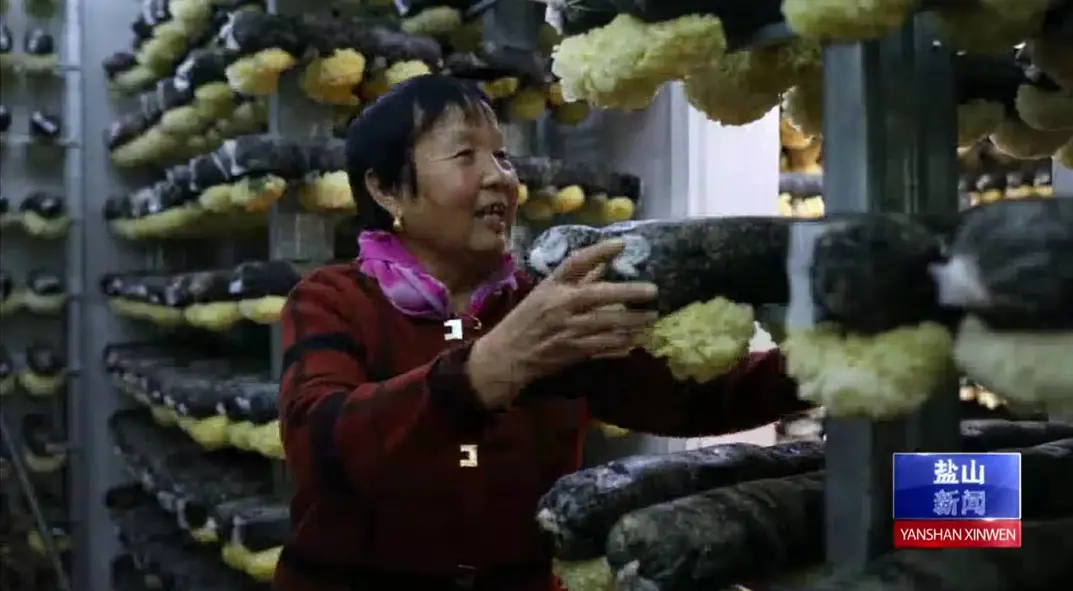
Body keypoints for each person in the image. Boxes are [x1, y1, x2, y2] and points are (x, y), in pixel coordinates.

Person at [273, 74, 809, 591]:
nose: (501, 178)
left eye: (501, 156)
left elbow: (688, 400)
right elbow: (318, 444)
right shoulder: (332, 299)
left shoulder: (541, 302)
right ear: (387, 189)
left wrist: (827, 364)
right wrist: (485, 371)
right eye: (465, 156)